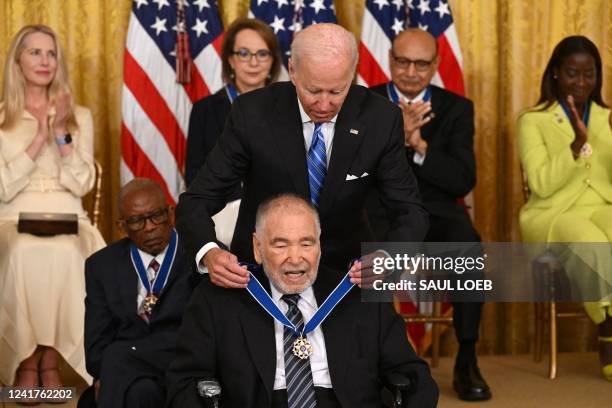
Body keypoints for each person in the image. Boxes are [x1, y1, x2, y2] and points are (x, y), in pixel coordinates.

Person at [176, 23, 428, 290]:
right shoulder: (251, 113)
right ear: (293, 71)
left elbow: (410, 210)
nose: (324, 104)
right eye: (313, 91)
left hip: (348, 276)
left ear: (352, 75)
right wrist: (209, 252)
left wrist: (388, 259)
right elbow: (197, 200)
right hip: (259, 275)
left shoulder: (381, 118)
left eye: (336, 91)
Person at [167, 194, 439, 407]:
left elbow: (412, 375)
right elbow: (184, 384)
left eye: (306, 243)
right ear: (257, 248)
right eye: (280, 244)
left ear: (320, 246)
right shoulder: (218, 300)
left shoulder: (358, 292)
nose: (295, 258)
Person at [366, 29, 490, 401]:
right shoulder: (365, 103)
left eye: (421, 64)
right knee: (359, 250)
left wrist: (418, 144)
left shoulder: (456, 108)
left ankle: (467, 357)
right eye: (403, 61)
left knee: (470, 248)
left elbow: (461, 179)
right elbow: (351, 171)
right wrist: (394, 138)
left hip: (436, 212)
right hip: (380, 210)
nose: (411, 71)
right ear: (390, 60)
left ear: (435, 65)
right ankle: (374, 361)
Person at [0, 24, 105, 390]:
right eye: (35, 52)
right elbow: (3, 186)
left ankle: (49, 360)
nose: (45, 61)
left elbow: (81, 183)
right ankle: (25, 359)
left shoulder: (79, 116)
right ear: (18, 60)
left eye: (51, 53)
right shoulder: (2, 117)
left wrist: (60, 133)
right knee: (22, 252)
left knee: (68, 254)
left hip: (69, 216)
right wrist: (38, 138)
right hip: (13, 215)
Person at [518, 35, 612, 381]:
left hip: (601, 204)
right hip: (553, 213)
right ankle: (607, 330)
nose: (582, 82)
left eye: (590, 74)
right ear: (556, 72)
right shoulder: (532, 119)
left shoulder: (606, 116)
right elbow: (540, 183)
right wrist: (575, 145)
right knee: (594, 243)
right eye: (573, 73)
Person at [81, 178, 198, 408]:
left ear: (171, 214)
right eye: (136, 221)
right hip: (129, 378)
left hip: (182, 364)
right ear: (122, 227)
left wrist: (125, 357)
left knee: (117, 356)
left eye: (157, 215)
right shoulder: (101, 266)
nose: (150, 226)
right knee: (140, 392)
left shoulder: (197, 258)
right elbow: (95, 351)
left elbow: (205, 337)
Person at [185, 17, 282, 187]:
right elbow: (195, 177)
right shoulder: (204, 111)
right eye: (244, 54)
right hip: (223, 209)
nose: (254, 62)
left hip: (280, 208)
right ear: (230, 60)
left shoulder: (289, 106)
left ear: (272, 60)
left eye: (262, 54)